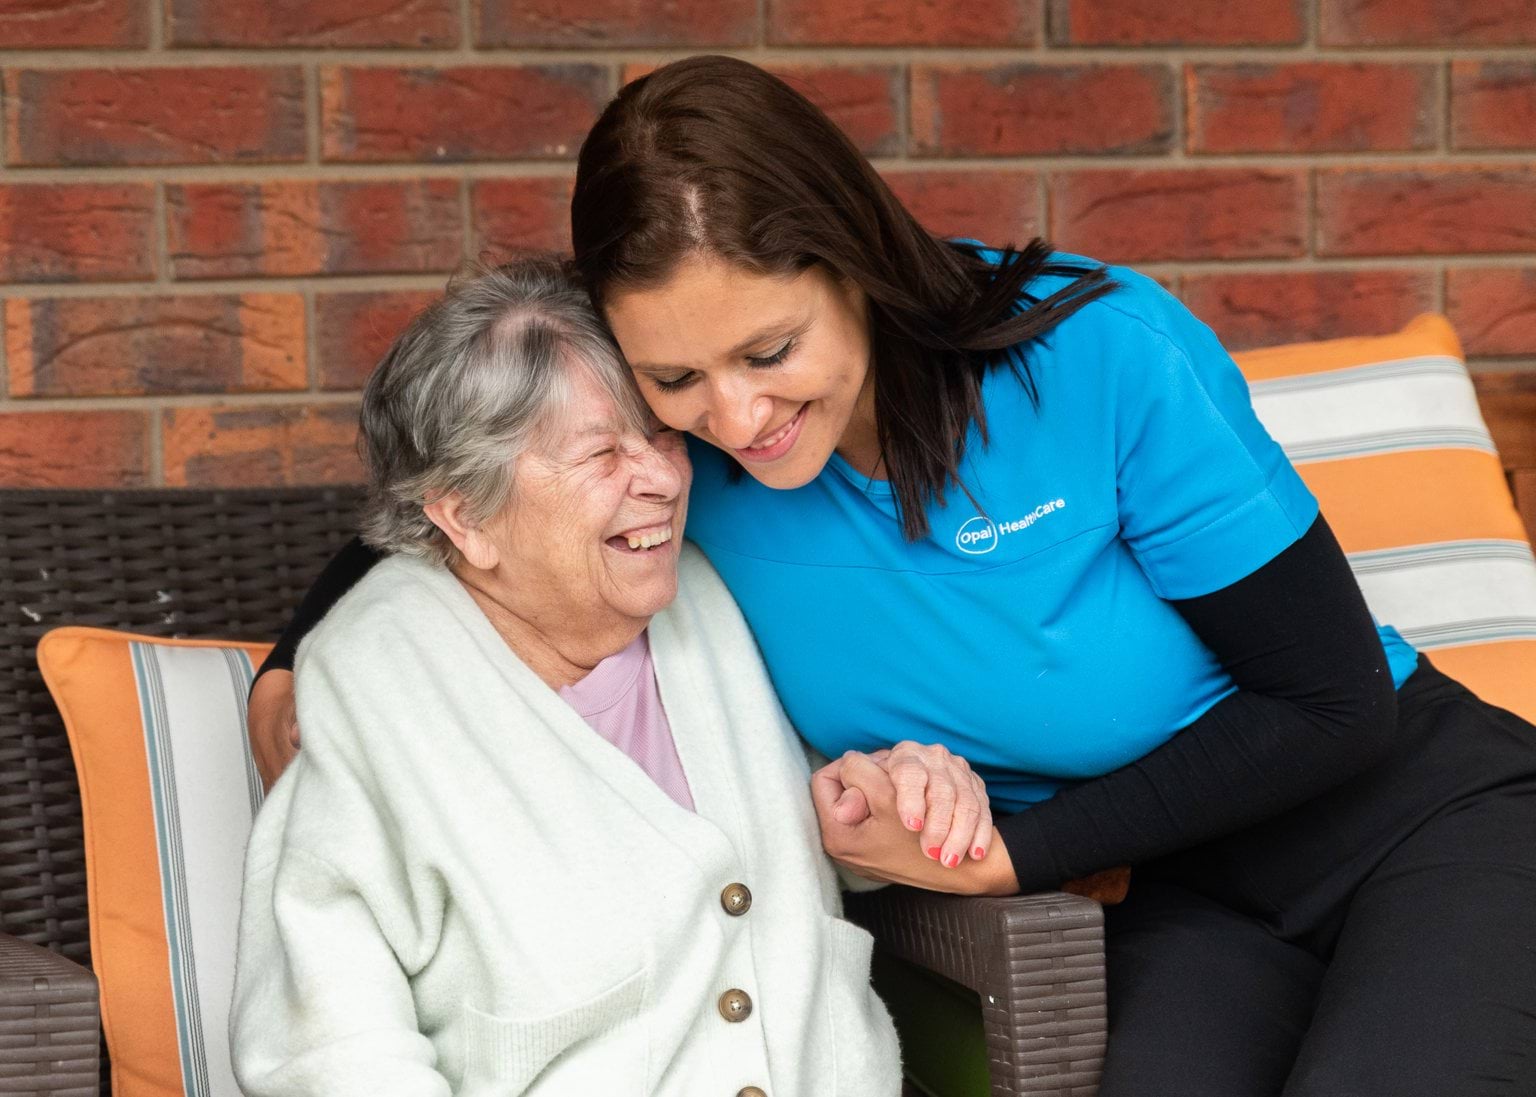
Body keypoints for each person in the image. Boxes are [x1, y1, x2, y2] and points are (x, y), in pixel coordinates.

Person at [249, 57, 1536, 1096]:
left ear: (852, 262)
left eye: (769, 351)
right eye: (674, 377)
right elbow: (471, 486)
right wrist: (298, 652)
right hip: (1173, 893)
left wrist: (1013, 852)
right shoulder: (696, 469)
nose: (736, 416)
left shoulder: (1096, 357)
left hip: (1412, 822)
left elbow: (1333, 703)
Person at [229, 257, 943, 1097]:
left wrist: (900, 790)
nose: (664, 479)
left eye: (661, 436)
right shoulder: (382, 693)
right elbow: (327, 1048)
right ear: (465, 514)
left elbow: (833, 818)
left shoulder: (718, 597)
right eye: (603, 452)